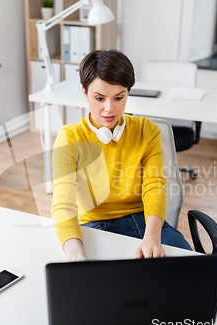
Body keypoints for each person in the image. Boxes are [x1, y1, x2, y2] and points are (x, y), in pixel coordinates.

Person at [51, 50, 191, 261]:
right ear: (85, 92)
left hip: (145, 222)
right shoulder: (70, 138)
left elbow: (155, 187)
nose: (109, 109)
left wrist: (152, 237)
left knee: (188, 268)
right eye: (99, 98)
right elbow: (63, 203)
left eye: (119, 98)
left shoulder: (147, 131)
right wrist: (75, 253)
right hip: (95, 225)